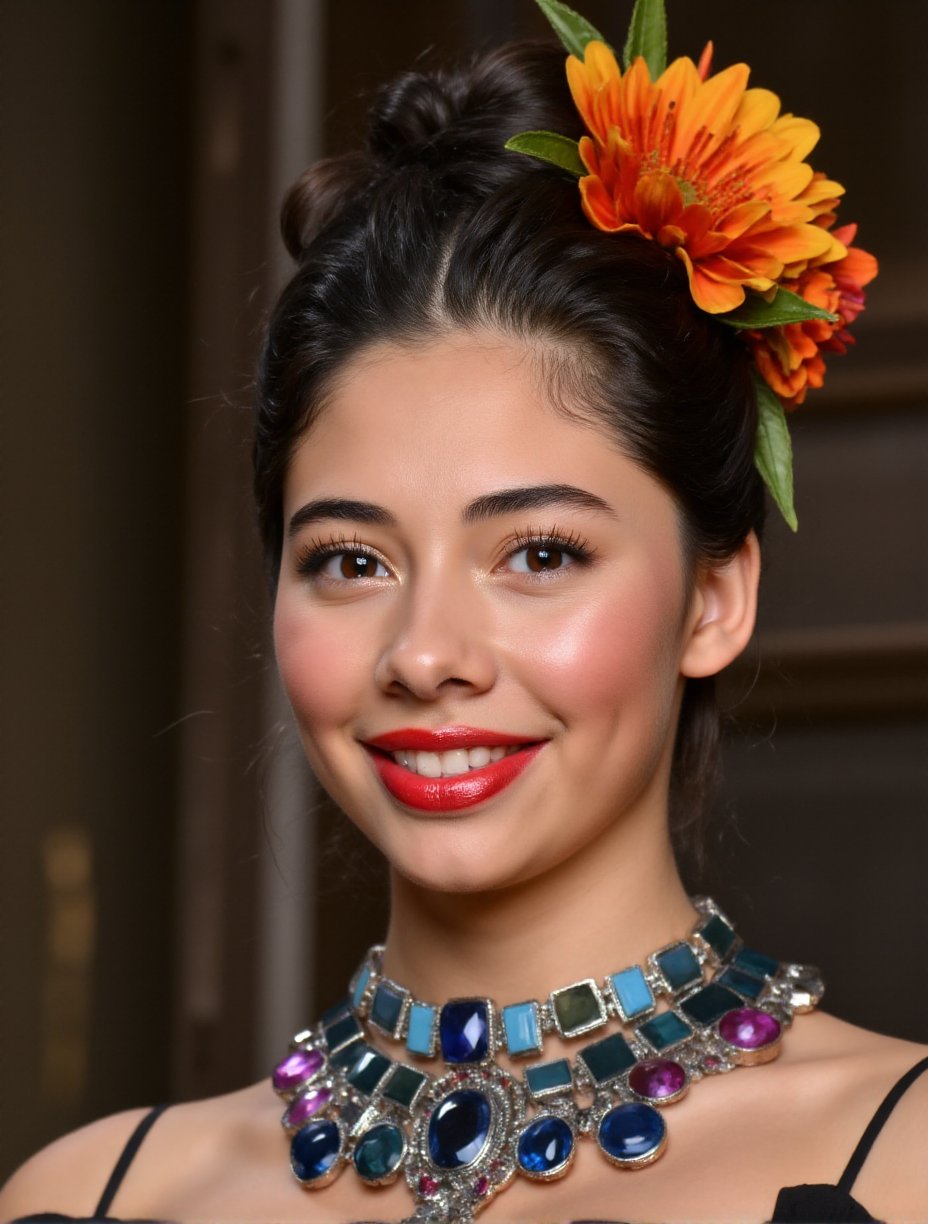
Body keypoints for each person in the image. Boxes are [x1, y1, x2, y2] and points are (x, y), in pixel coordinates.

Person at [2, 3, 924, 1221]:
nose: (425, 654)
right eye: (349, 561)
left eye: (538, 552)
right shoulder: (100, 1196)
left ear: (714, 596)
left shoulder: (897, 1163)